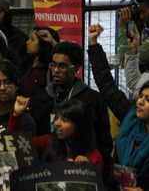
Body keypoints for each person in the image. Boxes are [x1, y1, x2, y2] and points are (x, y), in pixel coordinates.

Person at [30, 40, 113, 181]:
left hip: (84, 169)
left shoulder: (92, 100)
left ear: (76, 69)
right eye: (53, 65)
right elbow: (33, 142)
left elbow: (104, 142)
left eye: (62, 66)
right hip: (48, 170)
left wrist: (95, 169)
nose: (56, 70)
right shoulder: (40, 98)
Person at [88, 23, 149, 190]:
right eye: (141, 96)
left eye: (148, 99)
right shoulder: (131, 117)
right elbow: (106, 85)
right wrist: (93, 44)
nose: (140, 102)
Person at [10, 98, 104, 172]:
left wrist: (88, 170)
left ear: (79, 125)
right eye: (57, 118)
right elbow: (12, 143)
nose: (57, 123)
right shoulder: (48, 141)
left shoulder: (93, 156)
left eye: (65, 120)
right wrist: (17, 114)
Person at [117, 0, 149, 74]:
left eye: (143, 12)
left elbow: (126, 63)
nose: (141, 16)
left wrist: (123, 27)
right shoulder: (146, 27)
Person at [19, 27, 59, 97]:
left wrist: (52, 41)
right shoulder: (26, 63)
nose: (27, 42)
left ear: (43, 44)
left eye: (32, 39)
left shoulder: (51, 71)